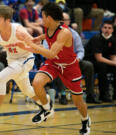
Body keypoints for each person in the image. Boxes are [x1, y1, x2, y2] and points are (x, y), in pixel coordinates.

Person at [15, 2, 91, 134]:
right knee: (37, 83)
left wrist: (29, 44)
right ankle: (46, 108)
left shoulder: (65, 33)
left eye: (42, 16)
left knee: (78, 102)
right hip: (54, 64)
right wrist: (34, 40)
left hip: (69, 67)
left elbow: (51, 53)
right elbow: (48, 37)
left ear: (49, 17)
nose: (41, 19)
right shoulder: (49, 27)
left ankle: (85, 120)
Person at [84, 20, 116, 102]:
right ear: (101, 28)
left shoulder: (113, 39)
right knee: (102, 66)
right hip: (91, 61)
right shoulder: (97, 38)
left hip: (103, 61)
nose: (107, 30)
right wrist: (113, 63)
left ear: (112, 30)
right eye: (105, 27)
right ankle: (103, 94)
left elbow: (113, 56)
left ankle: (114, 94)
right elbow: (99, 58)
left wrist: (114, 62)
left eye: (109, 28)